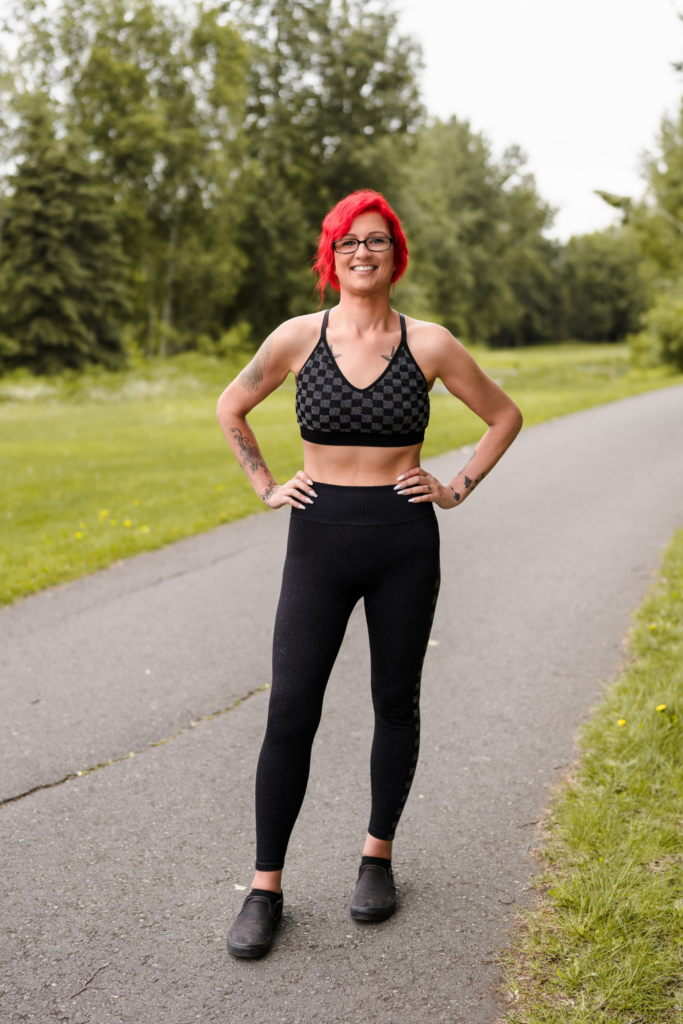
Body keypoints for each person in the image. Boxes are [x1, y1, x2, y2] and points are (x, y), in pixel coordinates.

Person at [216, 190, 522, 958]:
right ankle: (264, 888)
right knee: (291, 709)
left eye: (376, 242)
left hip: (402, 540)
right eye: (348, 242)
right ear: (332, 254)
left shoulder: (430, 344)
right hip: (317, 538)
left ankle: (375, 858)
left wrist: (455, 487)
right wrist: (263, 485)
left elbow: (503, 416)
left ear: (396, 255)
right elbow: (231, 406)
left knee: (394, 700)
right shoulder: (295, 337)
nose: (362, 253)